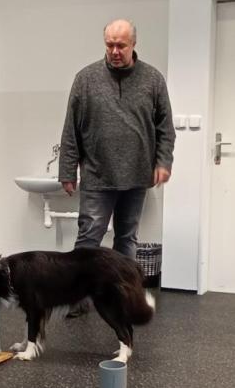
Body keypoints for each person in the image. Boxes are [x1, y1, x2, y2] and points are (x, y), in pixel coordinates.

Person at [58, 19, 175, 261]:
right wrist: (67, 171)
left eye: (121, 46)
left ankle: (124, 286)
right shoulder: (85, 79)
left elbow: (165, 128)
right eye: (109, 45)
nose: (114, 51)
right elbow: (71, 129)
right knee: (89, 239)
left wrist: (163, 162)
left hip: (136, 176)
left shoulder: (153, 79)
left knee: (127, 239)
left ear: (133, 44)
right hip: (97, 176)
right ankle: (83, 287)